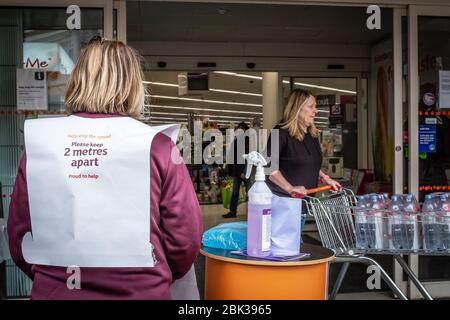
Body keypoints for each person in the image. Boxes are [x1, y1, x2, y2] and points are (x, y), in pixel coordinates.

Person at [7, 38, 203, 299]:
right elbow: (185, 239)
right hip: (142, 291)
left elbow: (20, 234)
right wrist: (156, 272)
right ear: (133, 84)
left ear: (78, 79)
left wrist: (51, 273)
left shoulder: (42, 144)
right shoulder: (158, 146)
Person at [265, 89, 341, 234]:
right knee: (288, 249)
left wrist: (326, 178)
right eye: (311, 106)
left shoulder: (310, 134)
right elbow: (269, 166)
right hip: (284, 205)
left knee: (292, 248)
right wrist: (289, 188)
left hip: (303, 204)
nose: (315, 111)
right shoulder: (280, 132)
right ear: (297, 108)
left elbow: (309, 163)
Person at [223, 122, 250, 218]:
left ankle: (251, 212)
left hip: (244, 172)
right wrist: (230, 171)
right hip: (236, 171)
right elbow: (231, 157)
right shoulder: (235, 141)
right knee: (234, 192)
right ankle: (232, 212)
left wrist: (244, 171)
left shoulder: (248, 141)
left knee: (249, 192)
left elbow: (247, 158)